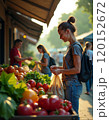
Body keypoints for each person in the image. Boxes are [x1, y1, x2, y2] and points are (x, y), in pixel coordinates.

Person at [50, 16, 83, 116]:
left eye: (61, 34)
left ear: (68, 31)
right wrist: (58, 67)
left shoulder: (75, 47)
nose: (60, 37)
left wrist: (60, 71)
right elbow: (70, 67)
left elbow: (77, 69)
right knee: (69, 113)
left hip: (73, 85)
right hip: (69, 84)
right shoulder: (71, 46)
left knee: (73, 114)